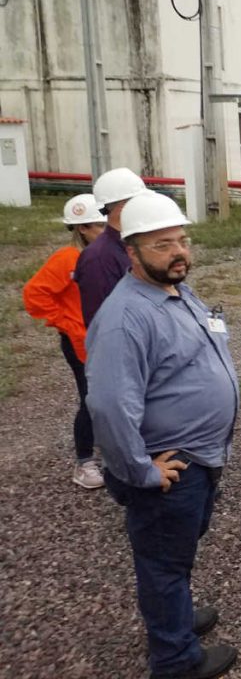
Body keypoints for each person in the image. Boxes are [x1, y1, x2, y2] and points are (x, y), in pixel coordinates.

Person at [87, 191, 239, 679]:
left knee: (176, 555)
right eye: (161, 245)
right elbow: (109, 406)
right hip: (170, 466)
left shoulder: (177, 289)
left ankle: (175, 617)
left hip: (201, 457)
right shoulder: (125, 317)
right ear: (131, 252)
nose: (178, 253)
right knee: (162, 563)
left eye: (181, 240)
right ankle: (175, 659)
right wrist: (139, 470)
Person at [23, 194, 107, 489]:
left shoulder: (110, 254)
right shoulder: (66, 259)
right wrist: (69, 324)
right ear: (82, 228)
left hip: (107, 338)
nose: (106, 231)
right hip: (80, 343)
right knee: (90, 399)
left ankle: (116, 448)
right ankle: (85, 462)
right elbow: (34, 295)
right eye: (99, 226)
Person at [74, 167, 149, 327]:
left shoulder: (133, 243)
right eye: (141, 202)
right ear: (123, 207)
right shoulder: (98, 258)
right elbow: (102, 322)